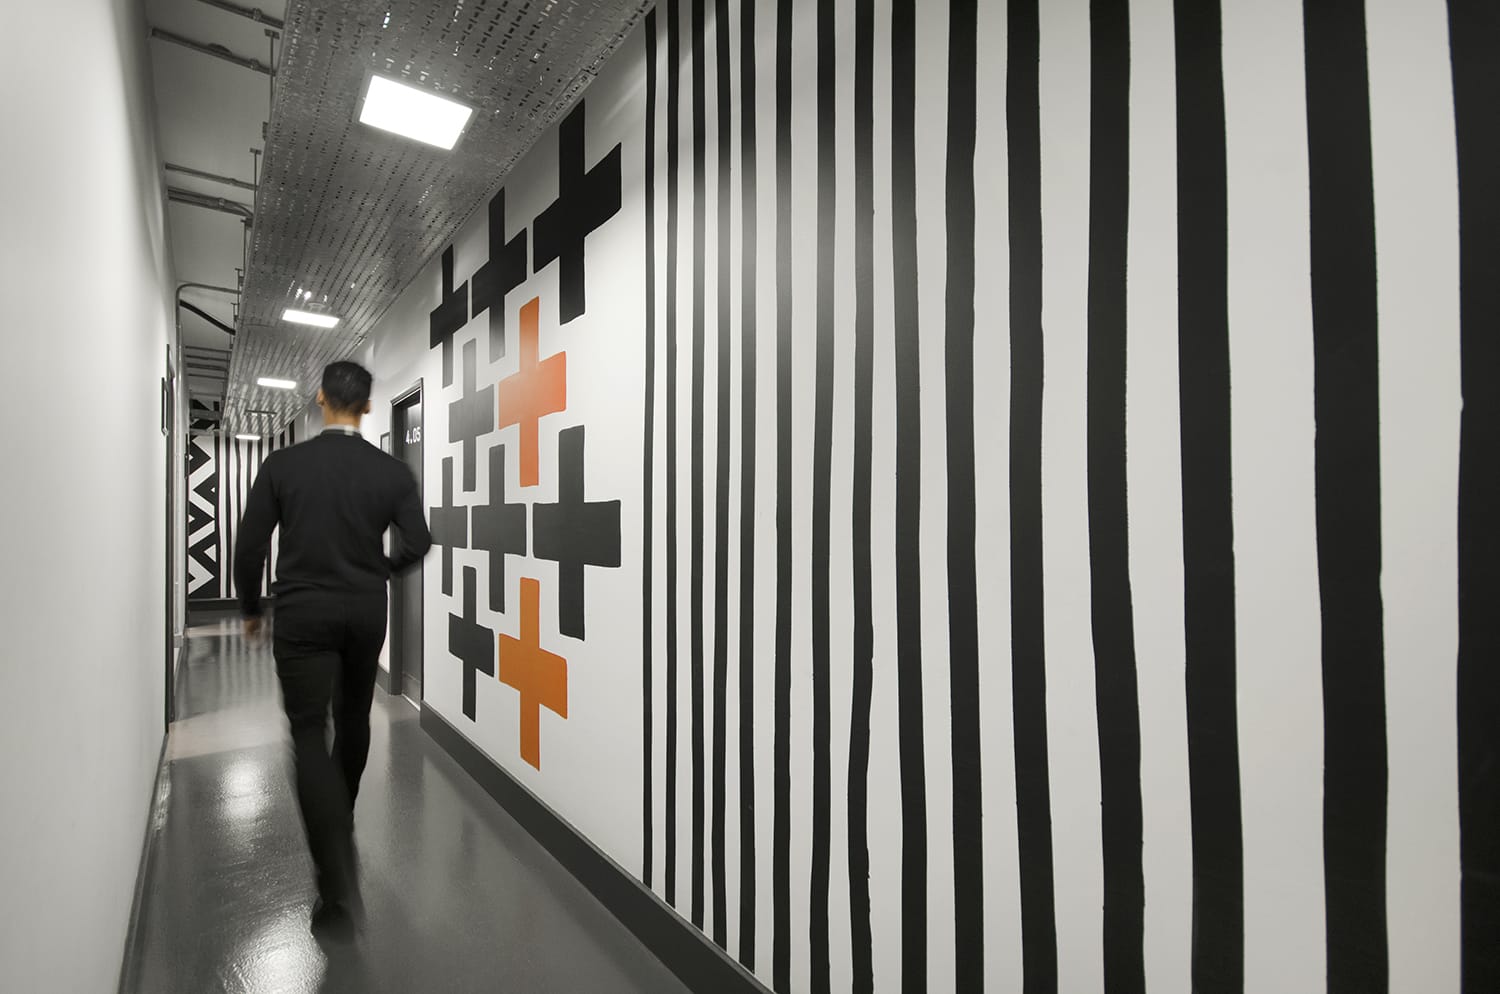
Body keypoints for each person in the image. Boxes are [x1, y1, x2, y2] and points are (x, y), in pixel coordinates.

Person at [233, 360, 431, 934]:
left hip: (302, 614)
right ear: (367, 407)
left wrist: (250, 609)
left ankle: (335, 877)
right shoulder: (392, 473)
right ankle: (339, 816)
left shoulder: (283, 464)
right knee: (353, 716)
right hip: (366, 611)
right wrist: (380, 569)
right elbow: (418, 541)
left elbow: (250, 547)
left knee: (306, 731)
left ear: (320, 398)